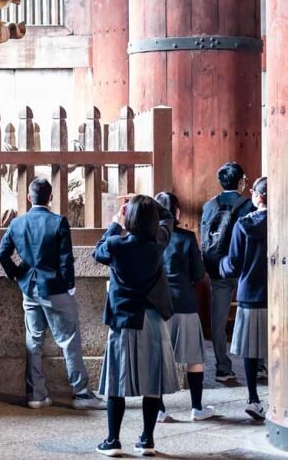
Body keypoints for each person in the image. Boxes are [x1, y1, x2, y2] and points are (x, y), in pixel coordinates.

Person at [0, 177, 101, 410]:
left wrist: (16, 275)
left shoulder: (17, 224)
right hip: (55, 287)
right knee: (69, 340)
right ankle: (81, 393)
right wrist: (70, 285)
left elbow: (1, 255)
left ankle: (36, 395)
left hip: (29, 288)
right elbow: (65, 259)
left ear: (28, 198)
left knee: (33, 342)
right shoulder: (58, 222)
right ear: (51, 198)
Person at [93, 194, 179, 457]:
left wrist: (115, 222)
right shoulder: (159, 243)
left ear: (129, 218)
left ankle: (113, 440)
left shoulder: (117, 244)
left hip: (124, 319)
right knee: (152, 382)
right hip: (153, 318)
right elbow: (167, 218)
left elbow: (98, 250)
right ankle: (147, 440)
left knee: (116, 383)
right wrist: (151, 203)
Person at [154, 191, 213, 423]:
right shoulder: (187, 238)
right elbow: (199, 274)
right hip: (185, 302)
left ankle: (158, 408)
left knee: (157, 357)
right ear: (176, 212)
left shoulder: (150, 239)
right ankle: (196, 407)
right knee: (193, 357)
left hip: (157, 304)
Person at [219, 177, 268, 421]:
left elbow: (233, 263)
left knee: (251, 350)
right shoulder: (282, 222)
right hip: (278, 294)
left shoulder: (244, 224)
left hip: (250, 293)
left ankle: (253, 398)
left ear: (256, 196)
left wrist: (220, 265)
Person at [200, 162, 254, 383]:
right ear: (241, 181)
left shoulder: (209, 206)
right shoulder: (249, 206)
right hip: (244, 271)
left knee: (218, 321)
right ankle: (257, 364)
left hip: (218, 270)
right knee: (251, 317)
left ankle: (222, 367)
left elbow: (204, 239)